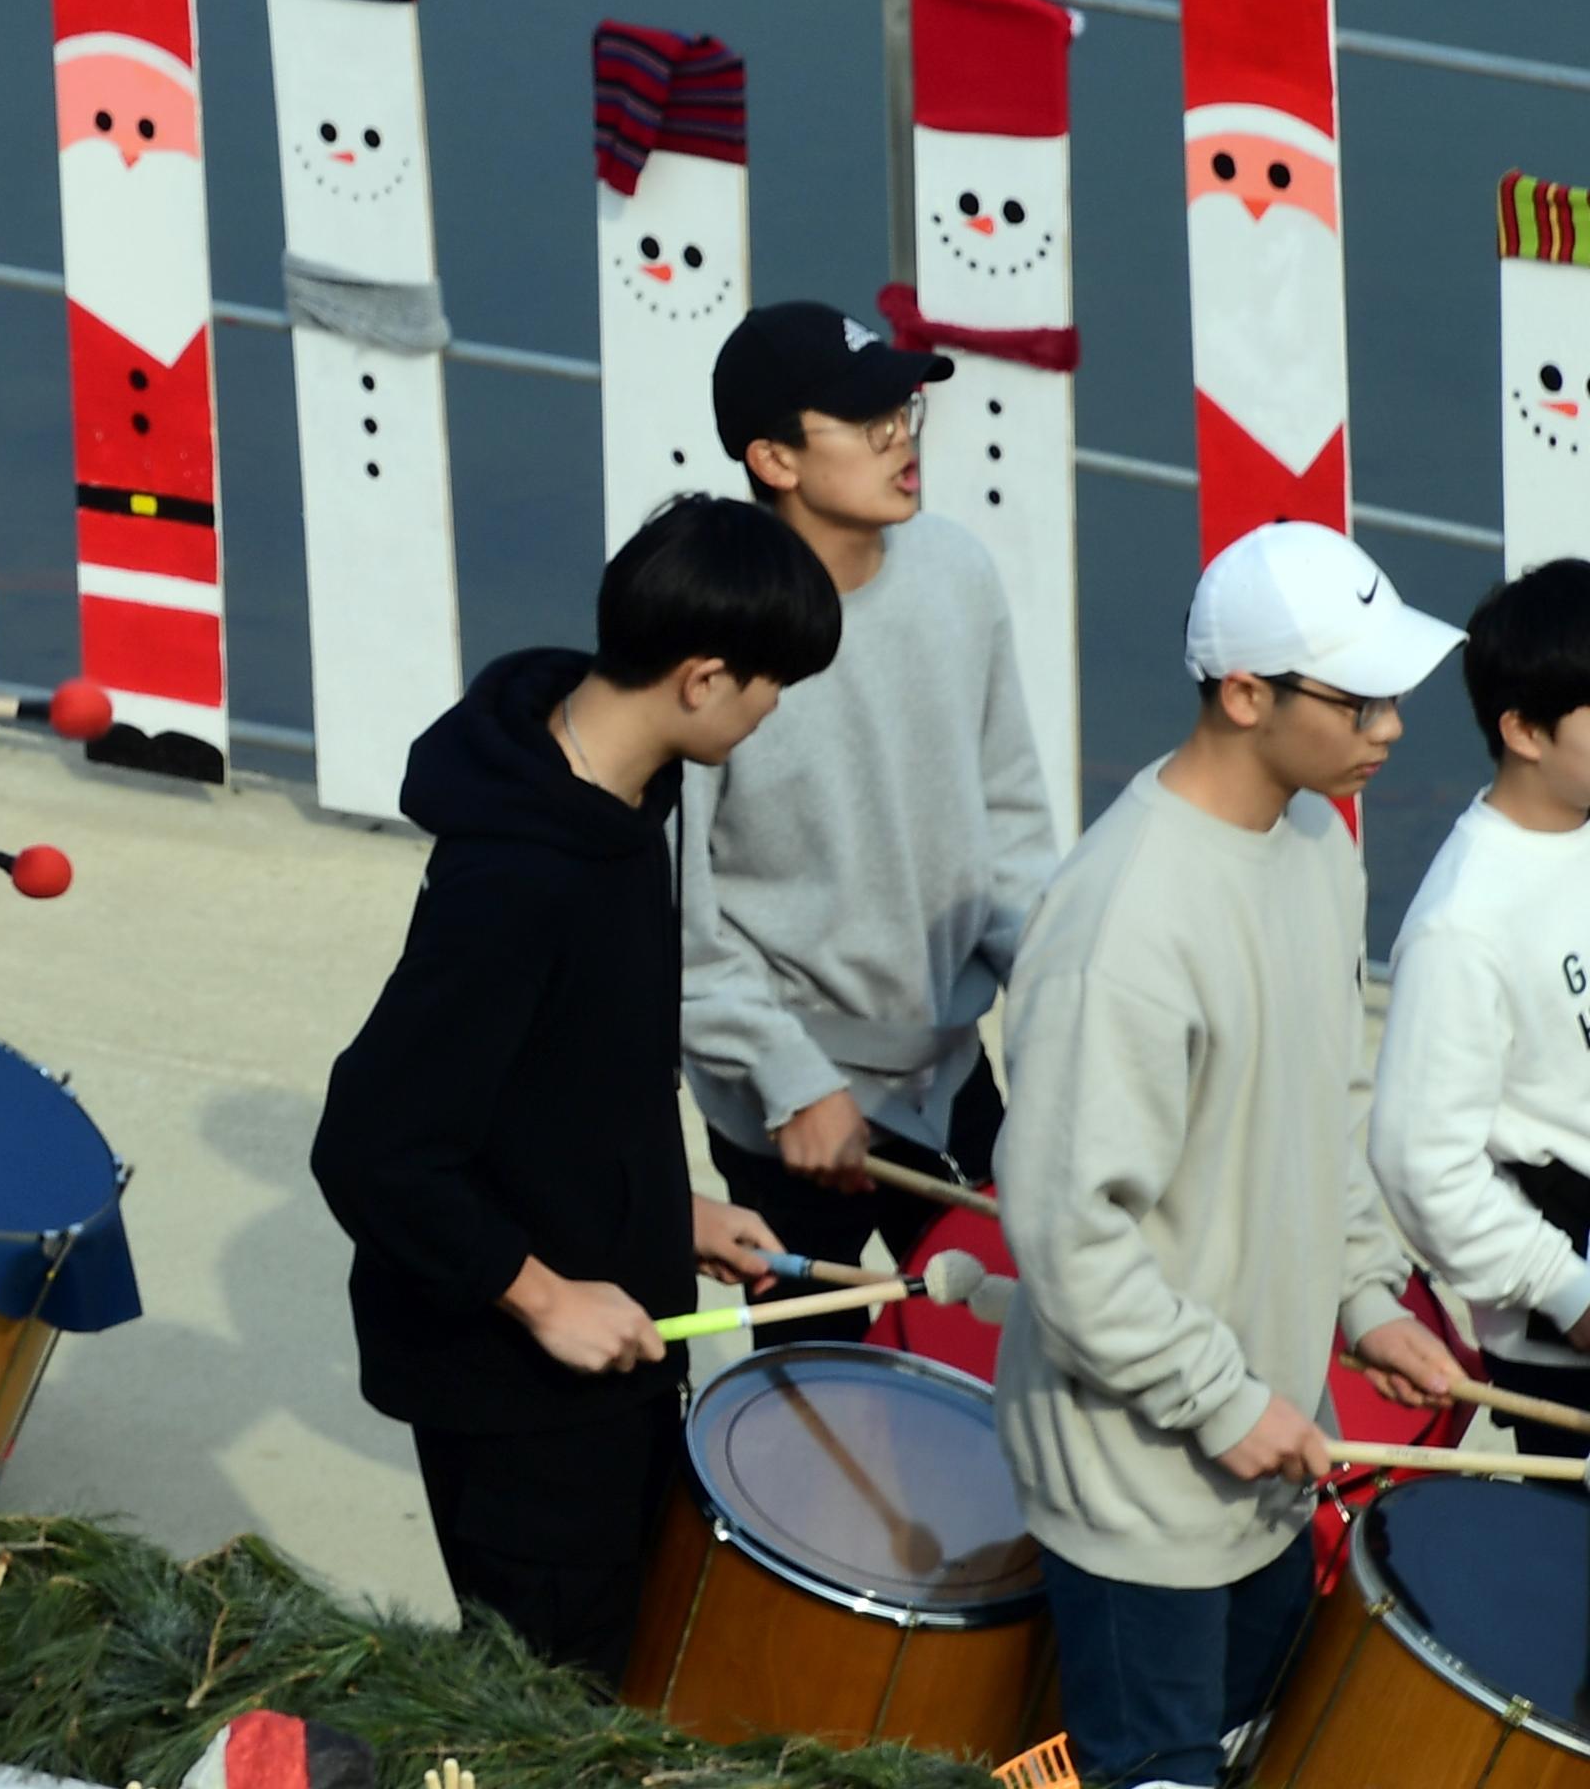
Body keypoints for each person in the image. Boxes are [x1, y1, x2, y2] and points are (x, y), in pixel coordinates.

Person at [311, 496, 828, 1687]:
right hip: (518, 1393)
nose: (772, 711)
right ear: (702, 677)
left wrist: (669, 1212)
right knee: (561, 1696)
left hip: (609, 1341)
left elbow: (574, 1075)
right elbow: (373, 1143)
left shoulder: (623, 795)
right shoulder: (517, 881)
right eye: (768, 685)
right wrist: (542, 1296)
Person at [995, 520, 1470, 1789]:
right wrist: (1219, 1393)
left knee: (1260, 1738)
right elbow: (1064, 1231)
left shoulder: (1316, 841)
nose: (1392, 727)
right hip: (1141, 1472)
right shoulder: (1124, 921)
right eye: (1361, 698)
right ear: (1246, 694)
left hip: (1265, 1440)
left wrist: (1365, 1295)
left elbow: (1329, 1103)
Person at [681, 302, 1059, 1341]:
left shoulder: (956, 572)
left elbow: (1015, 818)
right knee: (816, 1412)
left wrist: (1066, 993)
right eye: (865, 419)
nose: (901, 432)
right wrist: (791, 1080)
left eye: (903, 407)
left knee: (1017, 1355)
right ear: (773, 457)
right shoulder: (702, 626)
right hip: (785, 1102)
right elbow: (676, 919)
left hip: (952, 1069)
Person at [1373, 556, 1590, 1453]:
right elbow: (1421, 1164)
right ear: (1525, 731)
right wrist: (1569, 1293)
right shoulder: (1463, 923)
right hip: (1569, 1346)